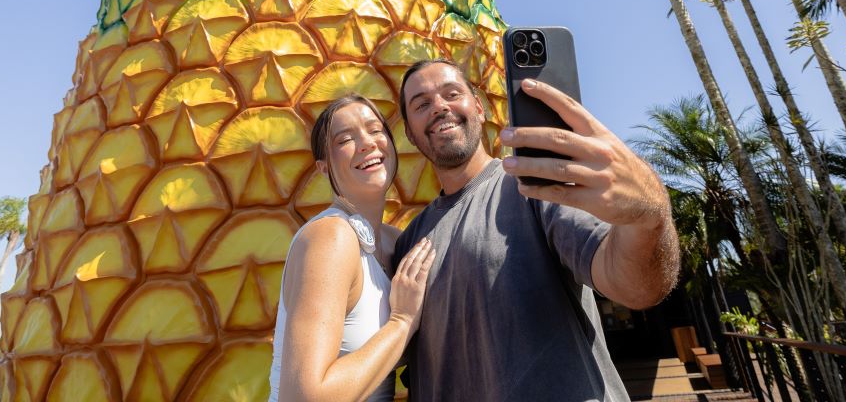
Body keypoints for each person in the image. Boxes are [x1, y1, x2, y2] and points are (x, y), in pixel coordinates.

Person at [393, 58, 681, 402]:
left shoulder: (537, 188)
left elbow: (634, 288)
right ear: (410, 133)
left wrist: (649, 217)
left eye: (451, 93)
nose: (439, 107)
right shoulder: (409, 242)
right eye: (422, 104)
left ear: (480, 107)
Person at [269, 93, 436, 402]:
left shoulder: (395, 242)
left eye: (375, 130)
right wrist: (402, 323)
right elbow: (305, 396)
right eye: (345, 139)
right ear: (323, 167)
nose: (367, 143)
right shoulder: (332, 237)